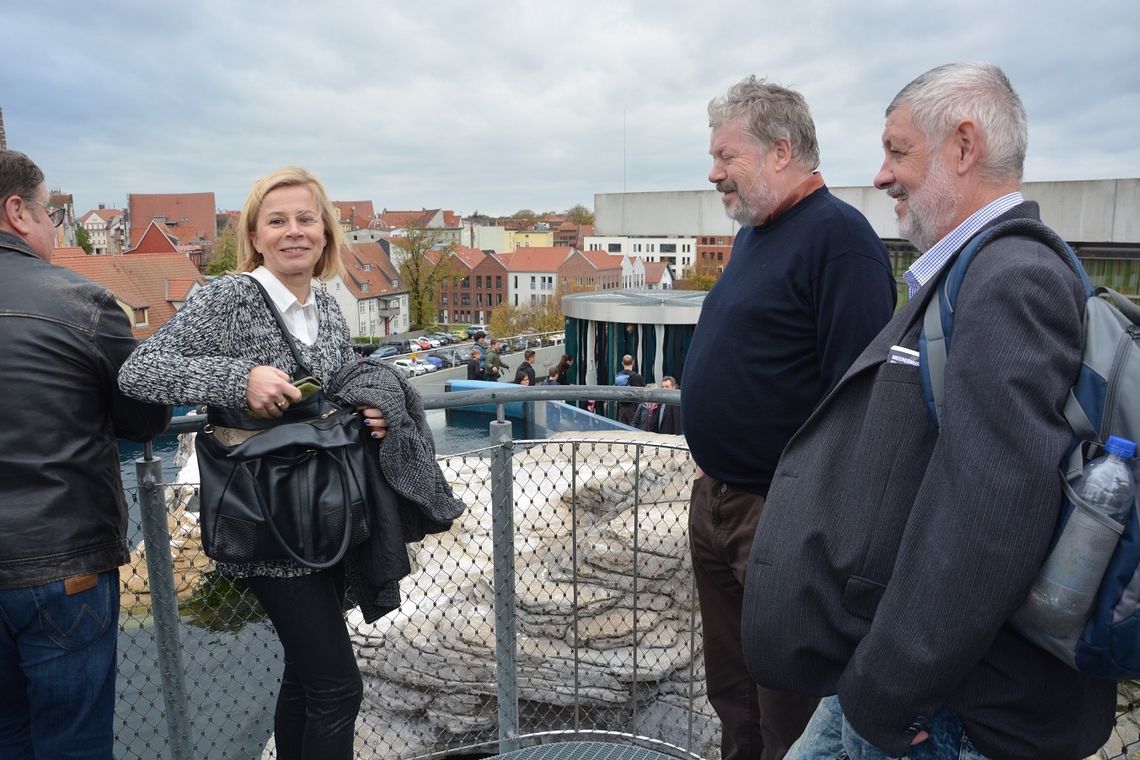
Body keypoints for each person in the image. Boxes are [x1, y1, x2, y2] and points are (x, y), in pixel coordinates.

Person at [742, 63, 1116, 760]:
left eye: (898, 150)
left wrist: (884, 691)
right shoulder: (977, 271)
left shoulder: (1011, 280)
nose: (882, 175)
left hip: (949, 713)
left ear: (965, 146)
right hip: (917, 688)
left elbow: (991, 516)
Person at [119, 167, 393, 760]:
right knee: (338, 689)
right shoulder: (229, 296)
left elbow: (340, 385)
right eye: (277, 221)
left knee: (303, 676)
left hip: (323, 511)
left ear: (325, 233)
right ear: (256, 235)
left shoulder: (327, 305)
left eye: (305, 218)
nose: (293, 231)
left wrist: (374, 408)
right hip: (266, 518)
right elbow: (139, 372)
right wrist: (237, 379)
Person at [681, 76, 897, 760]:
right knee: (733, 692)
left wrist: (819, 529)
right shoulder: (754, 234)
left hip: (784, 517)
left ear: (780, 152)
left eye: (726, 155)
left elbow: (862, 407)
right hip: (718, 501)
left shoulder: (841, 241)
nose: (714, 172)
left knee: (789, 707)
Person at [0, 150, 171, 758]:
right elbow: (147, 415)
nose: (54, 230)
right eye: (51, 214)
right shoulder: (80, 301)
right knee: (73, 743)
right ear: (17, 212)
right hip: (59, 560)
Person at [614, 354, 645, 426]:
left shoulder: (618, 376)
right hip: (634, 408)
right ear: (633, 362)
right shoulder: (638, 377)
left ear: (622, 363)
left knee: (622, 429)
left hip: (621, 408)